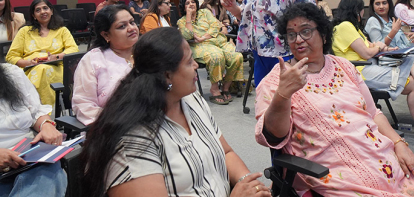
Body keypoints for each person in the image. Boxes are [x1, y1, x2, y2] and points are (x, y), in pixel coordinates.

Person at [255, 3, 414, 196]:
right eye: (291, 34)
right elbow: (274, 136)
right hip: (334, 174)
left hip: (379, 158)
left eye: (306, 31)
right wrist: (283, 94)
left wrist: (399, 143)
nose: (298, 39)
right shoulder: (277, 80)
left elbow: (373, 113)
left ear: (323, 35)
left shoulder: (343, 66)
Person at [79, 27, 271, 197]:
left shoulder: (191, 100)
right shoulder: (133, 143)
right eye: (189, 62)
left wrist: (249, 185)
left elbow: (226, 152)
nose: (196, 66)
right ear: (166, 76)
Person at [0, 20, 67, 197]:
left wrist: (47, 125)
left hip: (30, 157)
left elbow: (36, 112)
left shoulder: (11, 74)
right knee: (49, 179)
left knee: (46, 173)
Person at [333, 0, 414, 146]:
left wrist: (384, 48)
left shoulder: (352, 27)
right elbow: (367, 52)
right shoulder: (345, 27)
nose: (363, 13)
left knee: (413, 58)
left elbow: (371, 46)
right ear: (356, 10)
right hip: (361, 72)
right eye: (361, 10)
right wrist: (379, 46)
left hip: (371, 65)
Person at [72, 4, 139, 125]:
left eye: (132, 22)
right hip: (113, 126)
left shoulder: (148, 52)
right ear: (106, 35)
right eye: (122, 26)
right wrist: (120, 121)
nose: (131, 28)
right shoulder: (93, 60)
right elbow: (84, 105)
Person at [5, 0, 79, 105]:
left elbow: (74, 49)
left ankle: (36, 106)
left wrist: (56, 57)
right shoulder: (25, 31)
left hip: (56, 68)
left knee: (43, 69)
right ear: (33, 15)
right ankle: (45, 109)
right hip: (29, 69)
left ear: (51, 11)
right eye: (38, 10)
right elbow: (11, 56)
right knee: (40, 69)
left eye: (45, 8)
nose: (43, 12)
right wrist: (29, 63)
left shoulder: (62, 30)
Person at [177, 0, 243, 104]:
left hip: (218, 41)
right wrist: (188, 16)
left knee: (237, 56)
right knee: (216, 56)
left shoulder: (205, 13)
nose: (191, 4)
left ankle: (226, 87)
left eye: (192, 2)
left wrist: (204, 37)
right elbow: (188, 35)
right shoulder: (182, 21)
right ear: (183, 7)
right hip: (199, 46)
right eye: (187, 3)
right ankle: (215, 89)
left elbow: (215, 26)